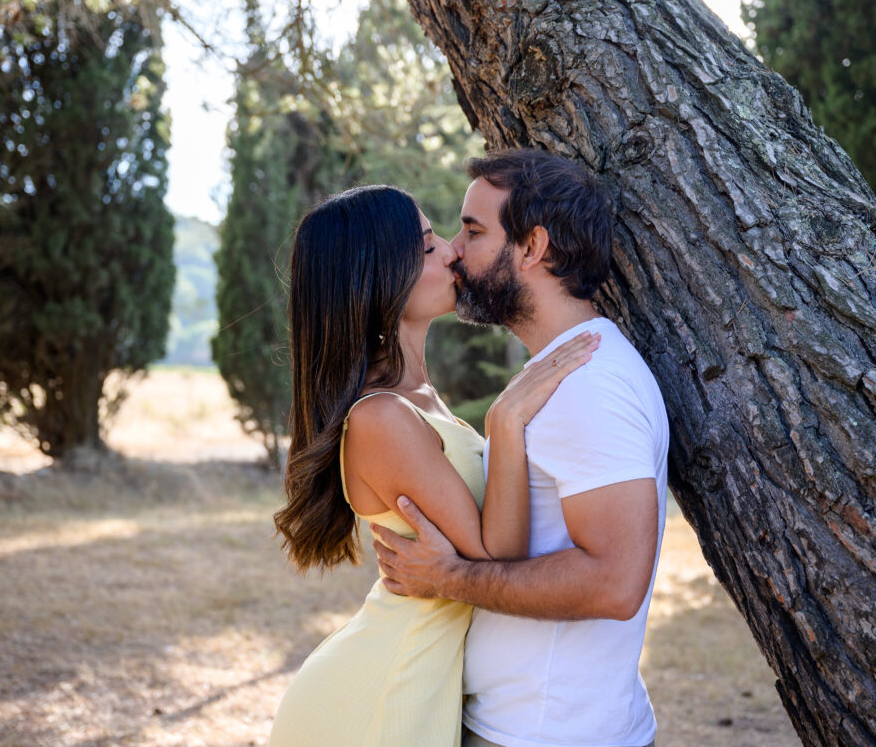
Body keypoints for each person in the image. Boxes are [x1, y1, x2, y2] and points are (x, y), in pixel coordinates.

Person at [266, 184, 600, 747]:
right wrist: (506, 420)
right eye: (426, 247)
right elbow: (500, 559)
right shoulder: (382, 418)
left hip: (426, 679)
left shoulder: (415, 397)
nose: (451, 251)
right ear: (376, 280)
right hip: (386, 690)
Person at [372, 149, 670, 747]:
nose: (454, 250)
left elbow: (615, 581)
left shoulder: (591, 385)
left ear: (532, 248)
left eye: (474, 230)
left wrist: (451, 578)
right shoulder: (559, 376)